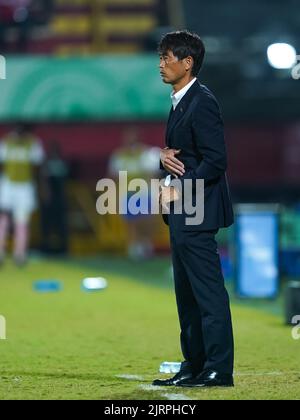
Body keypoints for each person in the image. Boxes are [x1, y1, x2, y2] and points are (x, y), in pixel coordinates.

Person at [152, 31, 235, 388]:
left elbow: (217, 160)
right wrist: (163, 158)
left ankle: (218, 369)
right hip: (184, 210)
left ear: (188, 63)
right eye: (160, 57)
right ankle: (194, 364)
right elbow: (185, 156)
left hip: (197, 209)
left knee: (207, 293)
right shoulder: (179, 100)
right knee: (186, 295)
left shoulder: (202, 100)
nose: (161, 64)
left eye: (167, 57)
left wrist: (179, 191)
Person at [0, 123, 44, 265]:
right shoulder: (7, 142)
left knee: (22, 222)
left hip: (25, 187)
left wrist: (39, 187)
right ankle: (1, 252)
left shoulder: (33, 143)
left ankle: (20, 254)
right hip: (9, 185)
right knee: (4, 219)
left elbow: (37, 166)